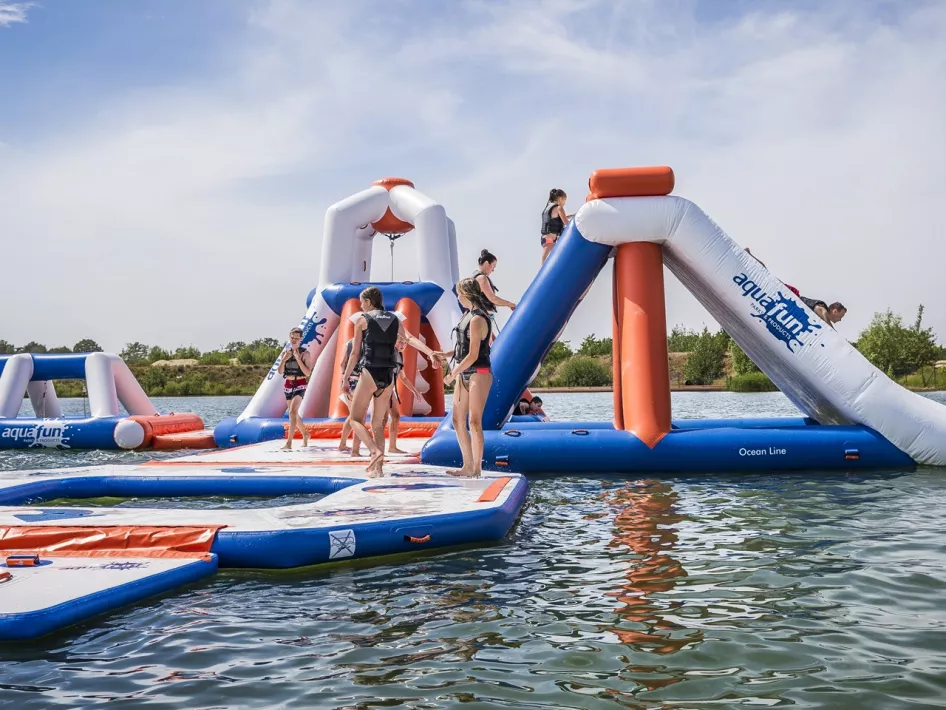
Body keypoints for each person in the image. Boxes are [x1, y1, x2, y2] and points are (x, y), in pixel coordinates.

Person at [341, 286, 438, 476]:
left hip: (369, 372)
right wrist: (430, 352)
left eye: (362, 302)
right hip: (388, 375)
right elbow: (409, 338)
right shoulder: (394, 319)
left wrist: (345, 378)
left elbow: (354, 354)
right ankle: (378, 469)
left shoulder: (362, 320)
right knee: (377, 424)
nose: (361, 306)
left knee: (355, 419)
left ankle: (374, 452)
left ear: (369, 302)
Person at [433, 278, 494, 478]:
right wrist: (446, 354)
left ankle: (477, 468)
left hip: (479, 373)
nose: (458, 297)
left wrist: (452, 374)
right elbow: (463, 349)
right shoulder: (466, 316)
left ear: (466, 294)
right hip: (464, 372)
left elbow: (474, 355)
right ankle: (467, 465)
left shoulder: (478, 319)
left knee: (474, 421)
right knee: (457, 419)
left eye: (459, 293)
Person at [277, 327, 312, 450]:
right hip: (288, 384)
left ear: (301, 339)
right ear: (289, 337)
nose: (294, 340)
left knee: (292, 412)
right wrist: (284, 360)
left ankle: (289, 443)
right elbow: (280, 371)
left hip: (300, 384)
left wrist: (298, 358)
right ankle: (305, 434)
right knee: (294, 414)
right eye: (292, 337)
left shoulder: (305, 354)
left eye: (297, 338)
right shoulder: (285, 353)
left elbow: (307, 373)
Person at [387, 339, 422, 455]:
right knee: (380, 418)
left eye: (405, 343)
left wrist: (415, 391)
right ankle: (374, 448)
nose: (403, 345)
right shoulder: (388, 352)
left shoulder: (400, 356)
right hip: (380, 388)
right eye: (400, 342)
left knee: (395, 416)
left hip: (389, 389)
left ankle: (392, 447)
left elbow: (403, 377)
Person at [338, 337, 363, 456]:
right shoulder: (368, 341)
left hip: (349, 380)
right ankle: (355, 450)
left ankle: (343, 444)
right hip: (358, 380)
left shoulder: (349, 342)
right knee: (357, 416)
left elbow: (342, 363)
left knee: (353, 415)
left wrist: (344, 378)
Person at [474, 249, 516, 318]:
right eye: (493, 266)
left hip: (482, 317)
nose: (493, 270)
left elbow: (491, 301)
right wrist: (509, 303)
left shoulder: (477, 277)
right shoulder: (482, 278)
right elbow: (493, 299)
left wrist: (507, 305)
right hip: (480, 318)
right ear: (486, 263)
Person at [540, 189, 571, 264]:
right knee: (557, 260)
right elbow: (566, 223)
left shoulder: (548, 207)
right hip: (551, 239)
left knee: (545, 262)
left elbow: (559, 219)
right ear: (560, 198)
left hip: (545, 239)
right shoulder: (559, 208)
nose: (564, 203)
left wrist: (572, 215)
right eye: (564, 200)